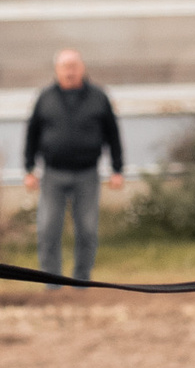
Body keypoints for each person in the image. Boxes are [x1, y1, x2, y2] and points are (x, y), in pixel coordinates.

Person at [21, 48, 125, 279]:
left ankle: (81, 280)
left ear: (82, 68)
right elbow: (32, 134)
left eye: (73, 66)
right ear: (57, 70)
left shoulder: (98, 97)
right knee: (48, 229)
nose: (69, 71)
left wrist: (117, 169)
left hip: (87, 173)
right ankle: (51, 280)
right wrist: (29, 169)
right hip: (53, 175)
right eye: (64, 67)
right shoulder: (45, 97)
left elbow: (113, 134)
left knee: (87, 230)